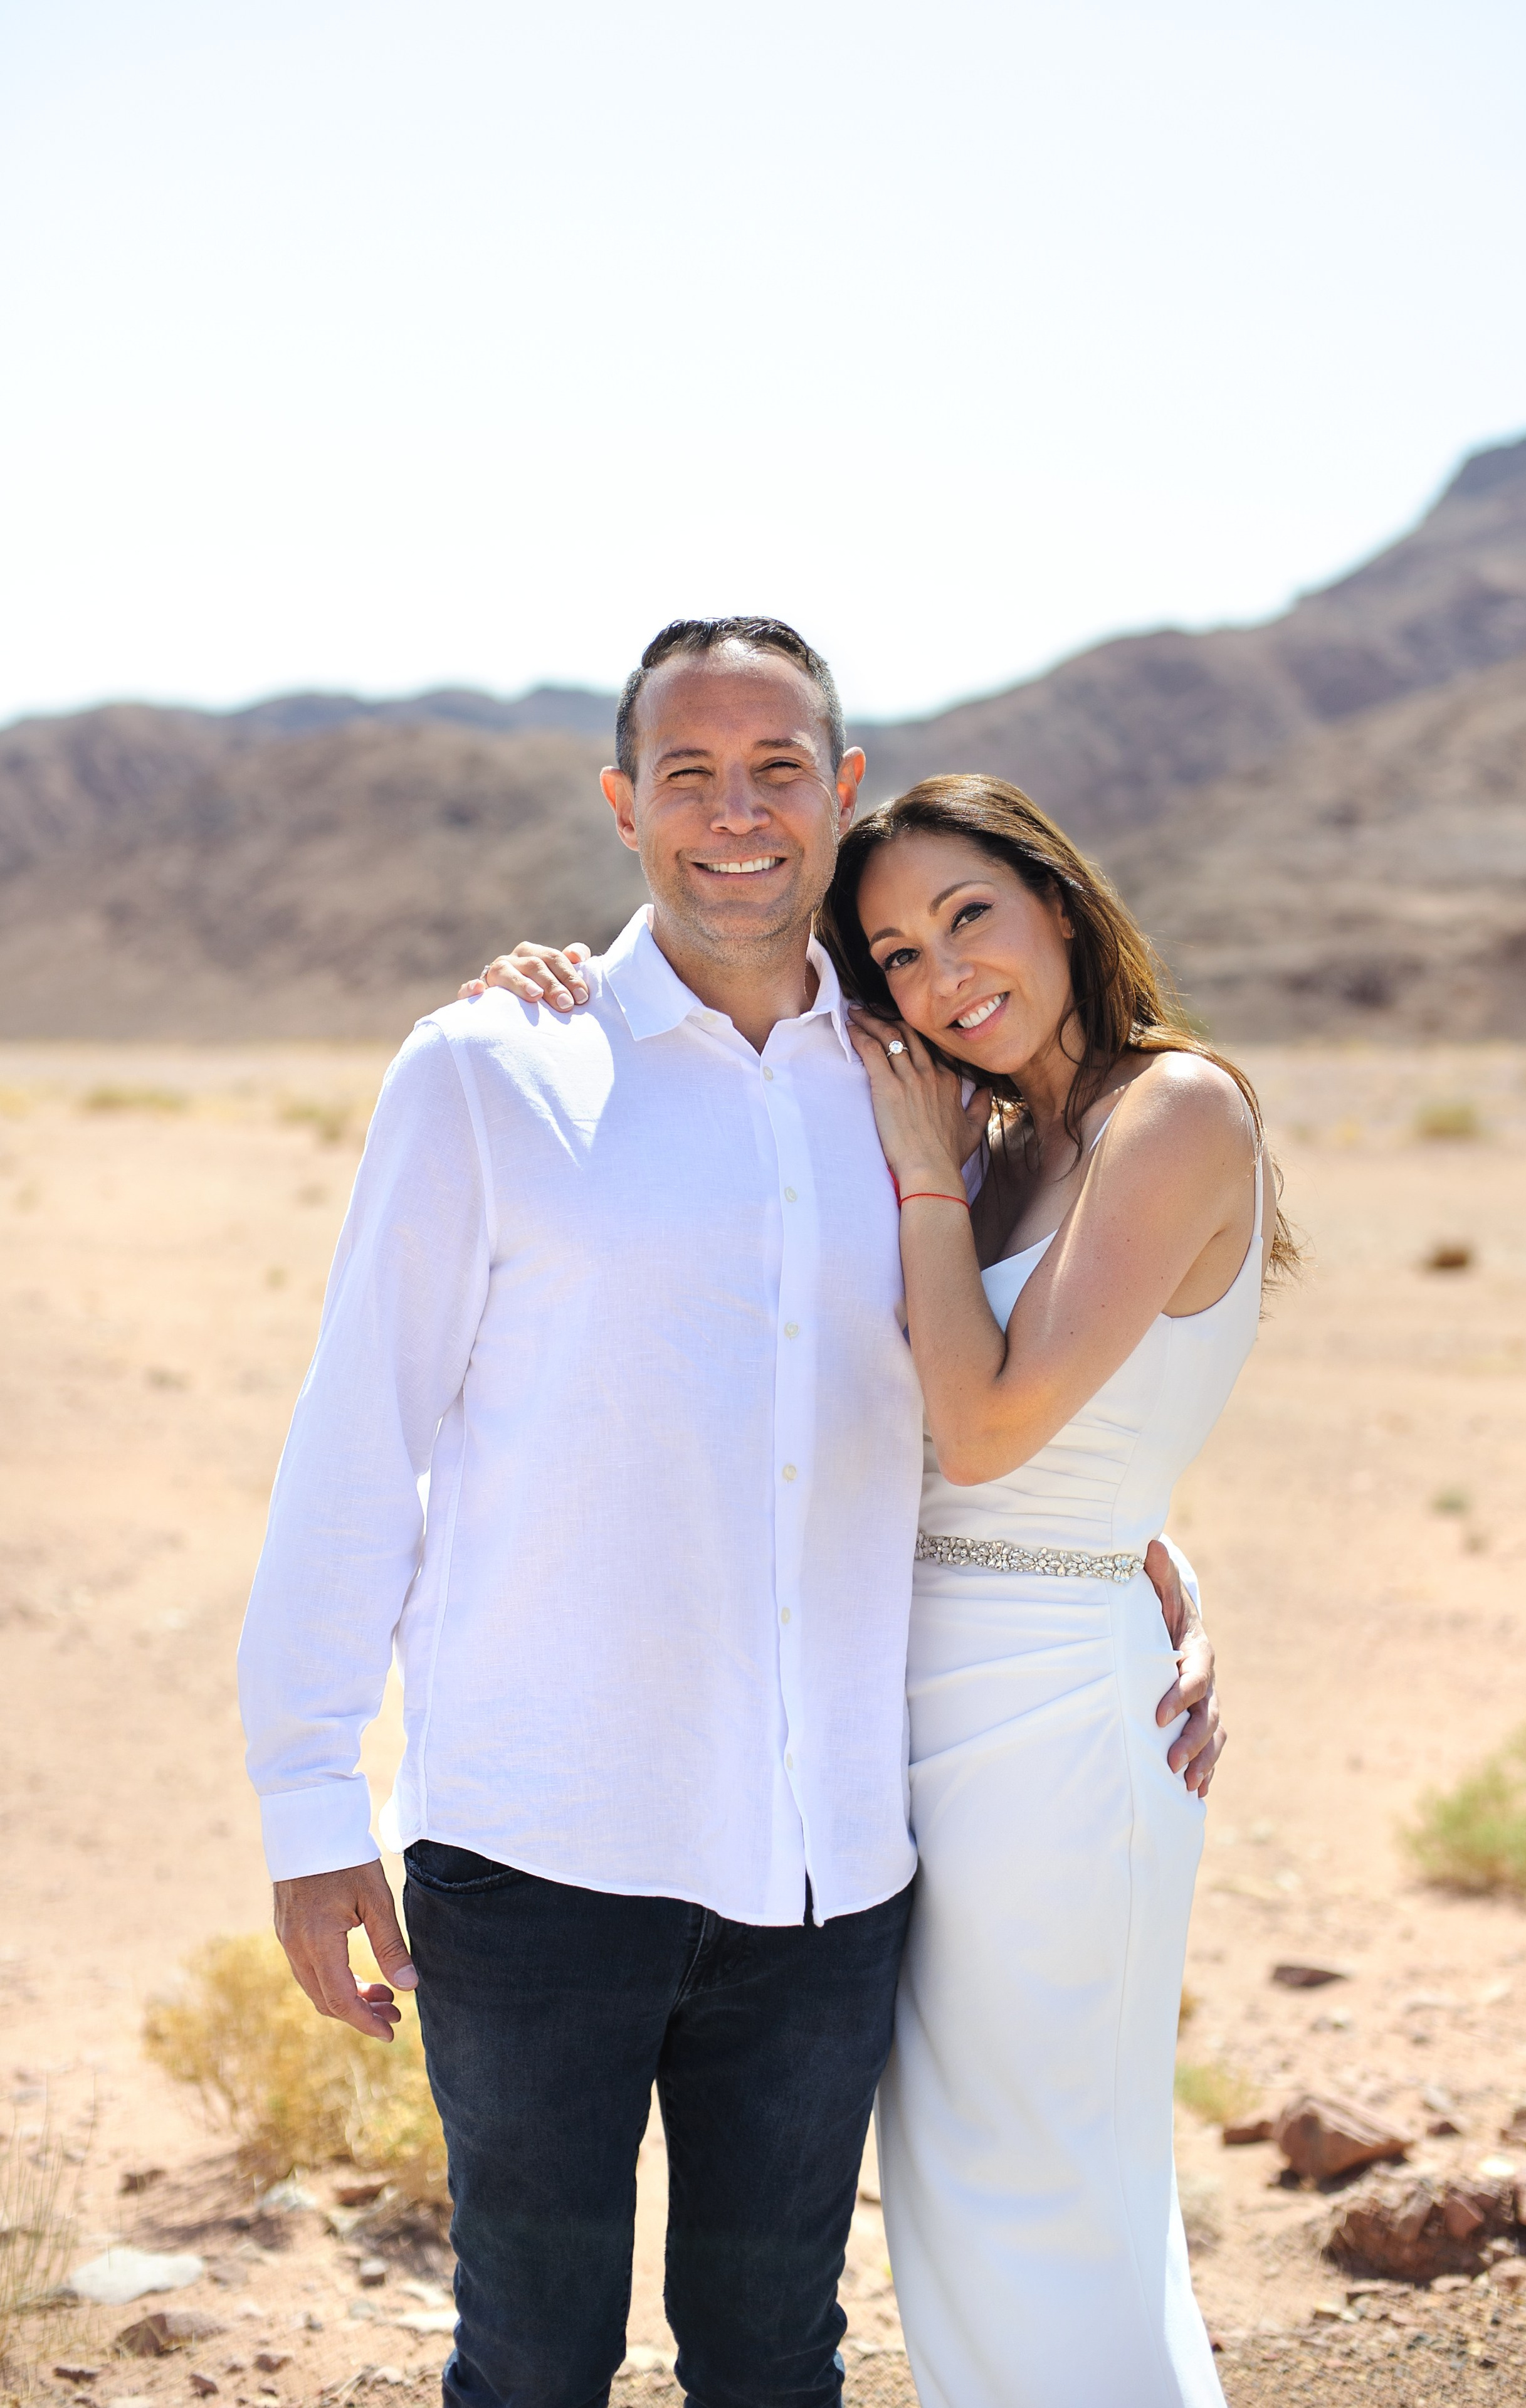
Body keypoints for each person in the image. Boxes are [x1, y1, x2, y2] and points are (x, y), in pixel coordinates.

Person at [239, 618, 1222, 2408]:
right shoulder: (489, 1069)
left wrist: (1143, 1553)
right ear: (625, 805)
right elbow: (357, 1441)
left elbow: (1025, 1375)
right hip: (542, 1855)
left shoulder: (928, 1095)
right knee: (531, 2361)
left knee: (776, 2358)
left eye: (779, 769)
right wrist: (309, 1798)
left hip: (832, 1867)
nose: (736, 813)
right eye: (688, 772)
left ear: (841, 798)